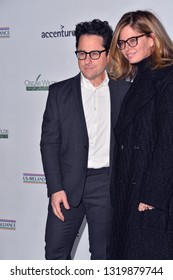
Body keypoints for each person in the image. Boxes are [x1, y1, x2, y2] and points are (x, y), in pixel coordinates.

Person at [40, 19, 130, 260]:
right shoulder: (59, 92)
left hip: (107, 184)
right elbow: (49, 143)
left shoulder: (124, 93)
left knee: (103, 256)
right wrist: (55, 189)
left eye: (94, 52)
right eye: (81, 53)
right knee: (55, 254)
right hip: (67, 187)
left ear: (108, 54)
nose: (87, 59)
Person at [108, 10, 173, 260]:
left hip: (150, 194)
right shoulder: (139, 78)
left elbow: (169, 142)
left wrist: (153, 195)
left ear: (152, 38)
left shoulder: (167, 78)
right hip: (130, 189)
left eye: (132, 40)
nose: (126, 48)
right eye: (122, 43)